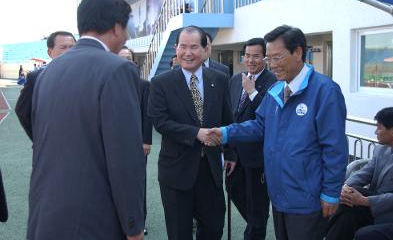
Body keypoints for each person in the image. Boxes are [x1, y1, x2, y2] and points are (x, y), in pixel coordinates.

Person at [209, 25, 348, 240]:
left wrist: (331, 192)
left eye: (277, 57)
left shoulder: (325, 91)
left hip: (307, 197)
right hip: (279, 194)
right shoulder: (277, 90)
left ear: (298, 52)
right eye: (269, 59)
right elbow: (259, 126)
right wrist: (226, 132)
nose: (271, 65)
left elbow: (335, 147)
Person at [27, 0, 145, 240]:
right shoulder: (118, 69)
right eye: (126, 28)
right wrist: (134, 226)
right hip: (94, 220)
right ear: (116, 27)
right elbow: (125, 157)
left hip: (45, 214)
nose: (126, 36)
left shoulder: (47, 72)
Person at [148, 25, 236, 240]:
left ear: (206, 50)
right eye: (183, 46)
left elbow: (227, 118)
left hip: (210, 170)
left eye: (194, 47)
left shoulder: (220, 79)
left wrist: (231, 152)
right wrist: (196, 133)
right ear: (176, 48)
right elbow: (160, 122)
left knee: (214, 228)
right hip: (177, 171)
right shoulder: (161, 83)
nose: (188, 53)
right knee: (179, 232)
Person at [326, 107, 393, 240]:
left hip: (391, 213)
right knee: (346, 208)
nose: (375, 131)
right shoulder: (381, 150)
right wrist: (346, 187)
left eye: (379, 128)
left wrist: (364, 201)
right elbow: (364, 173)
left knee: (346, 210)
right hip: (372, 205)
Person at [227, 38, 276, 240]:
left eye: (256, 56)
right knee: (234, 191)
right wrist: (229, 151)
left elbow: (271, 116)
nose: (251, 60)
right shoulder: (235, 79)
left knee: (257, 205)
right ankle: (256, 224)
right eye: (247, 55)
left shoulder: (273, 82)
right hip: (235, 156)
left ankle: (255, 230)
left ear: (264, 57)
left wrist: (252, 92)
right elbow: (231, 116)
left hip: (258, 158)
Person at [15, 31, 76, 140]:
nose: (69, 51)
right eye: (63, 47)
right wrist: (38, 139)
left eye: (72, 47)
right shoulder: (36, 77)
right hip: (50, 147)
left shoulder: (87, 75)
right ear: (50, 52)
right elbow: (23, 112)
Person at [118, 46, 152, 236]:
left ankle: (140, 221)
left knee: (138, 184)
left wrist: (146, 141)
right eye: (121, 57)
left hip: (138, 144)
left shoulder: (143, 85)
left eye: (128, 58)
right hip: (114, 143)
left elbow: (148, 115)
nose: (125, 60)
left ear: (133, 61)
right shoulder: (109, 82)